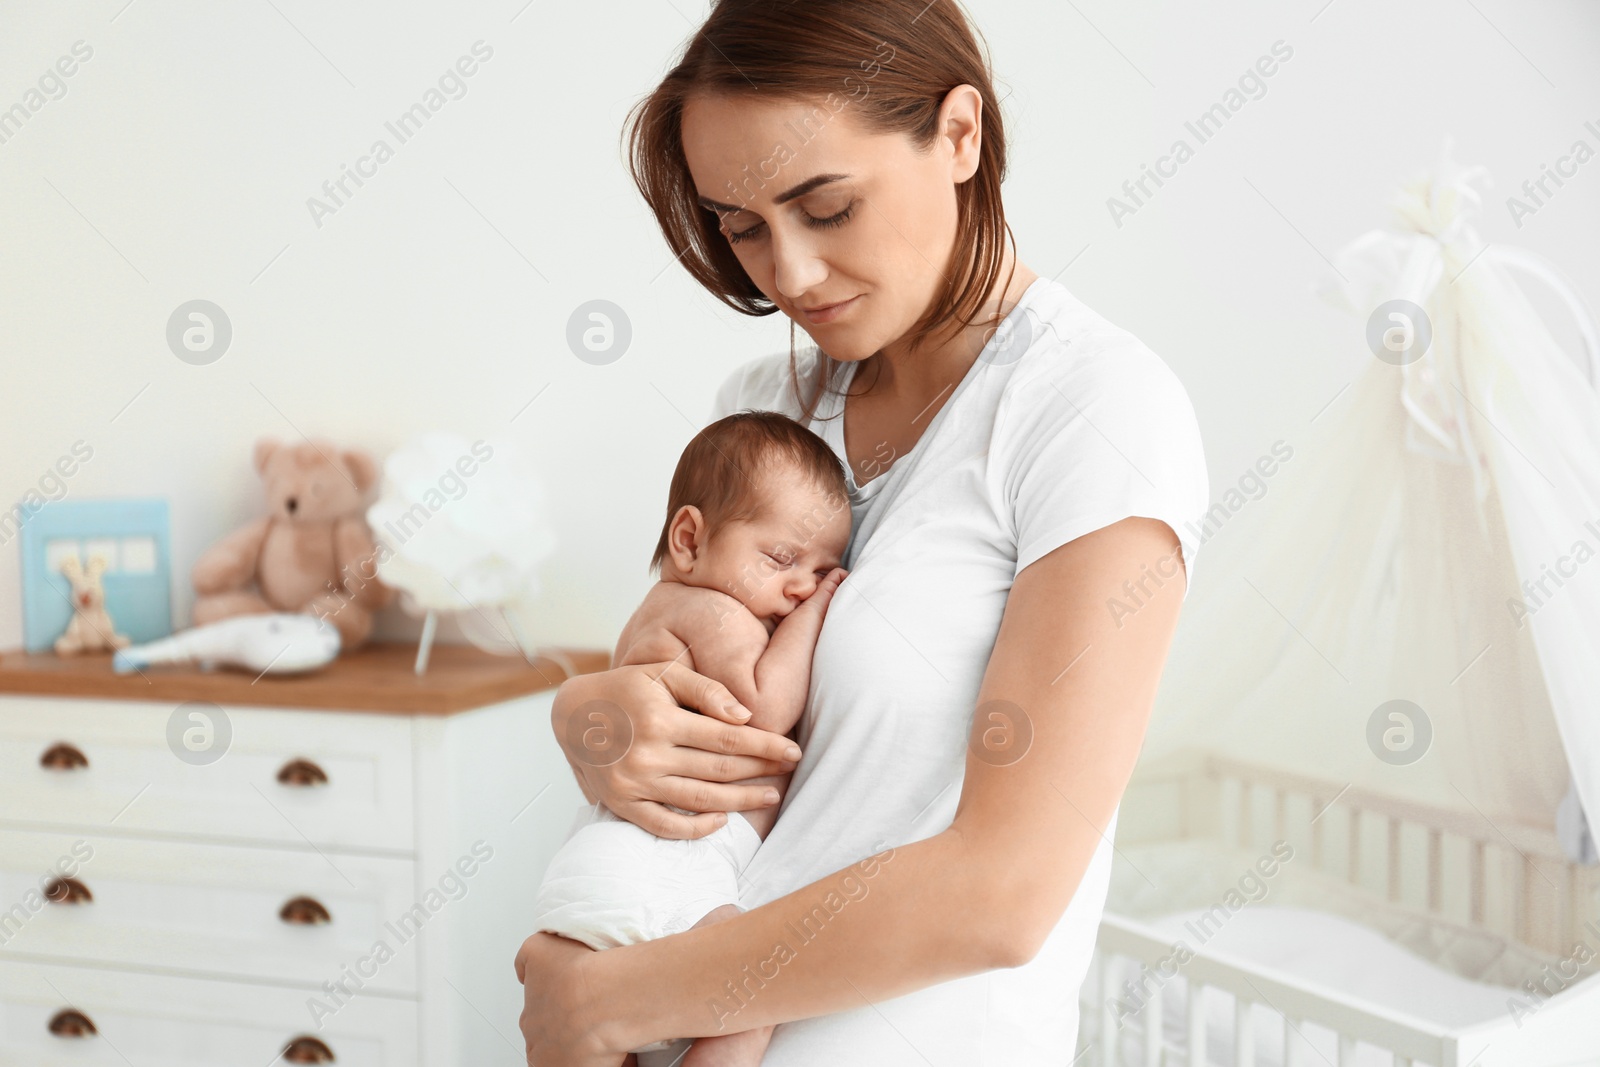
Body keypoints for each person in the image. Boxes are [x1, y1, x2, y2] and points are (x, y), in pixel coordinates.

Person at [515, 1, 1210, 1063]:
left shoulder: (1091, 409)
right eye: (742, 226)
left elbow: (1003, 890)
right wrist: (592, 719)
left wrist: (613, 999)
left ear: (960, 136)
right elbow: (702, 698)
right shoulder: (767, 402)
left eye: (826, 207)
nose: (785, 275)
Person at [527, 411, 851, 1065]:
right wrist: (821, 611)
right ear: (689, 539)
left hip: (614, 864)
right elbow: (760, 712)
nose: (800, 585)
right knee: (759, 994)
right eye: (782, 557)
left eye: (822, 570)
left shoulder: (664, 610)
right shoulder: (714, 612)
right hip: (660, 868)